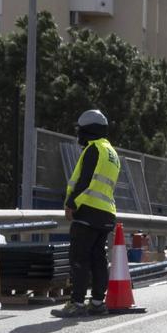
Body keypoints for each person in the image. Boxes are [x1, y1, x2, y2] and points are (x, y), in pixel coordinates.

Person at [52, 109, 120, 318]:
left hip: (88, 211)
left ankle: (77, 303)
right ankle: (98, 302)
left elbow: (85, 180)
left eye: (81, 130)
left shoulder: (94, 149)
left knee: (79, 258)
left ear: (88, 130)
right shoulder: (112, 153)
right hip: (106, 213)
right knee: (98, 258)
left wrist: (71, 203)